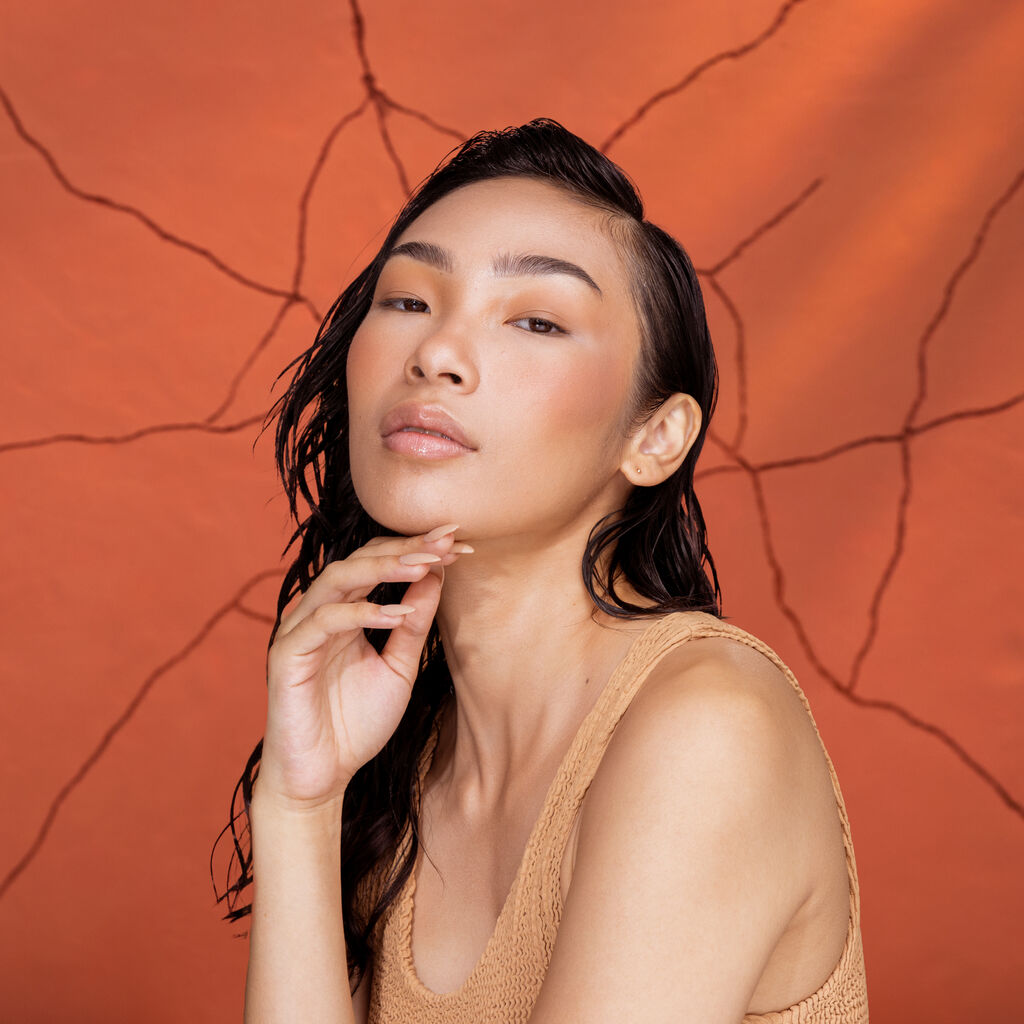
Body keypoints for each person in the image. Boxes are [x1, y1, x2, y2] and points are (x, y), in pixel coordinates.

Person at [217, 118, 868, 1023]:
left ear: (655, 438)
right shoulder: (407, 758)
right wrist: (300, 804)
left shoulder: (706, 729)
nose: (435, 355)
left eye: (536, 320)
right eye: (407, 300)